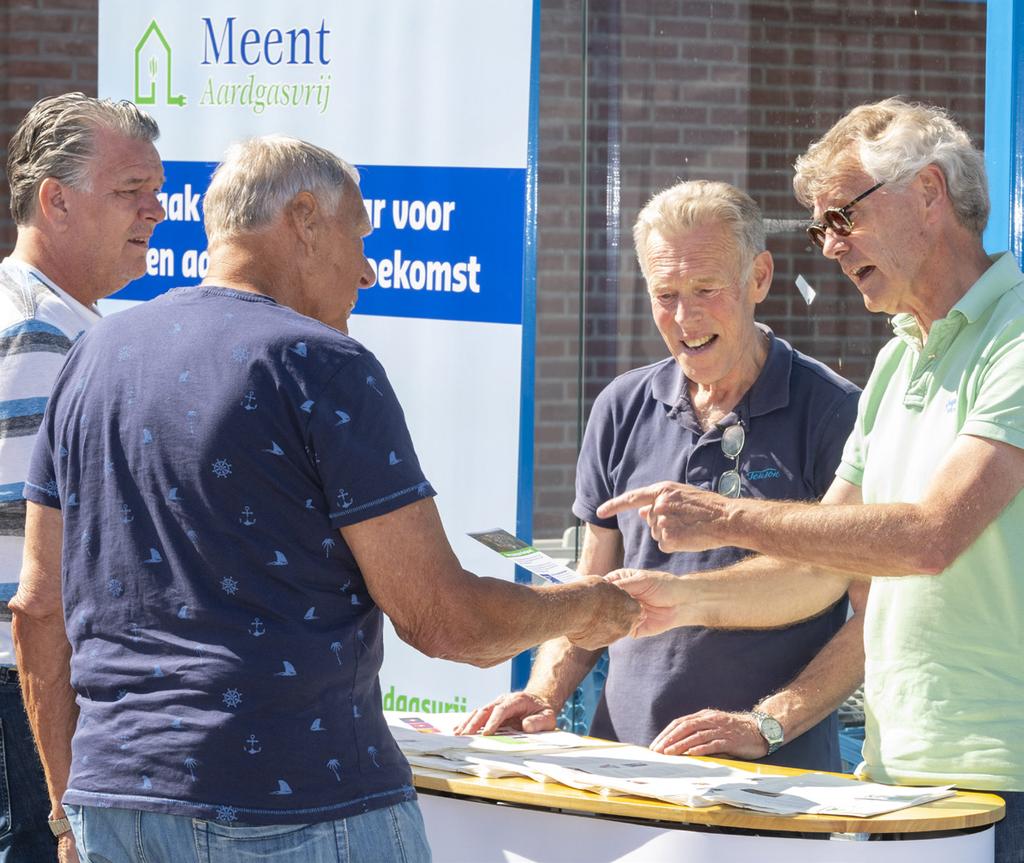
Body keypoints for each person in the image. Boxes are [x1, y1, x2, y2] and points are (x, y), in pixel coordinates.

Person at [11, 134, 639, 863]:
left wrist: (65, 815)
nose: (369, 270)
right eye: (361, 234)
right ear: (304, 218)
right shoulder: (320, 363)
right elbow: (444, 620)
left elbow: (38, 607)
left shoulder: (93, 355)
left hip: (114, 804)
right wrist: (591, 609)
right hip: (299, 806)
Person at [600, 99, 1024, 862]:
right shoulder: (900, 358)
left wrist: (726, 518)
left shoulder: (1016, 340)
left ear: (930, 194)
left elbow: (931, 536)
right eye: (818, 227)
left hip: (1005, 781)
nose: (829, 247)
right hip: (903, 780)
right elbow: (824, 566)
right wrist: (681, 600)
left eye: (841, 218)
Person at [458, 180, 864, 772]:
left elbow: (874, 620)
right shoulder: (621, 405)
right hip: (622, 769)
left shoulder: (833, 412)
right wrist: (543, 696)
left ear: (759, 278)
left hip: (776, 785)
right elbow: (589, 588)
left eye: (705, 289)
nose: (684, 317)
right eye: (665, 293)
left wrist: (767, 724)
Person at [0, 92, 164, 863]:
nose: (156, 212)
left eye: (156, 192)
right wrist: (65, 799)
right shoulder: (42, 331)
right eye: (131, 192)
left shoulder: (54, 319)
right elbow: (32, 586)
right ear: (55, 201)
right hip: (31, 702)